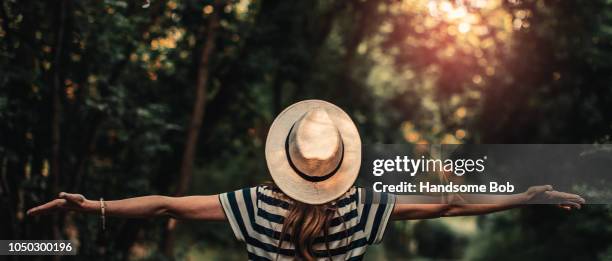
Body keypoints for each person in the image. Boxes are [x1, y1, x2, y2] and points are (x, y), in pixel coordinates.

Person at [27, 100, 585, 260]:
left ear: (286, 160)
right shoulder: (365, 208)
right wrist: (524, 197)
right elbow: (448, 206)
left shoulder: (250, 206)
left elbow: (164, 207)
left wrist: (91, 205)